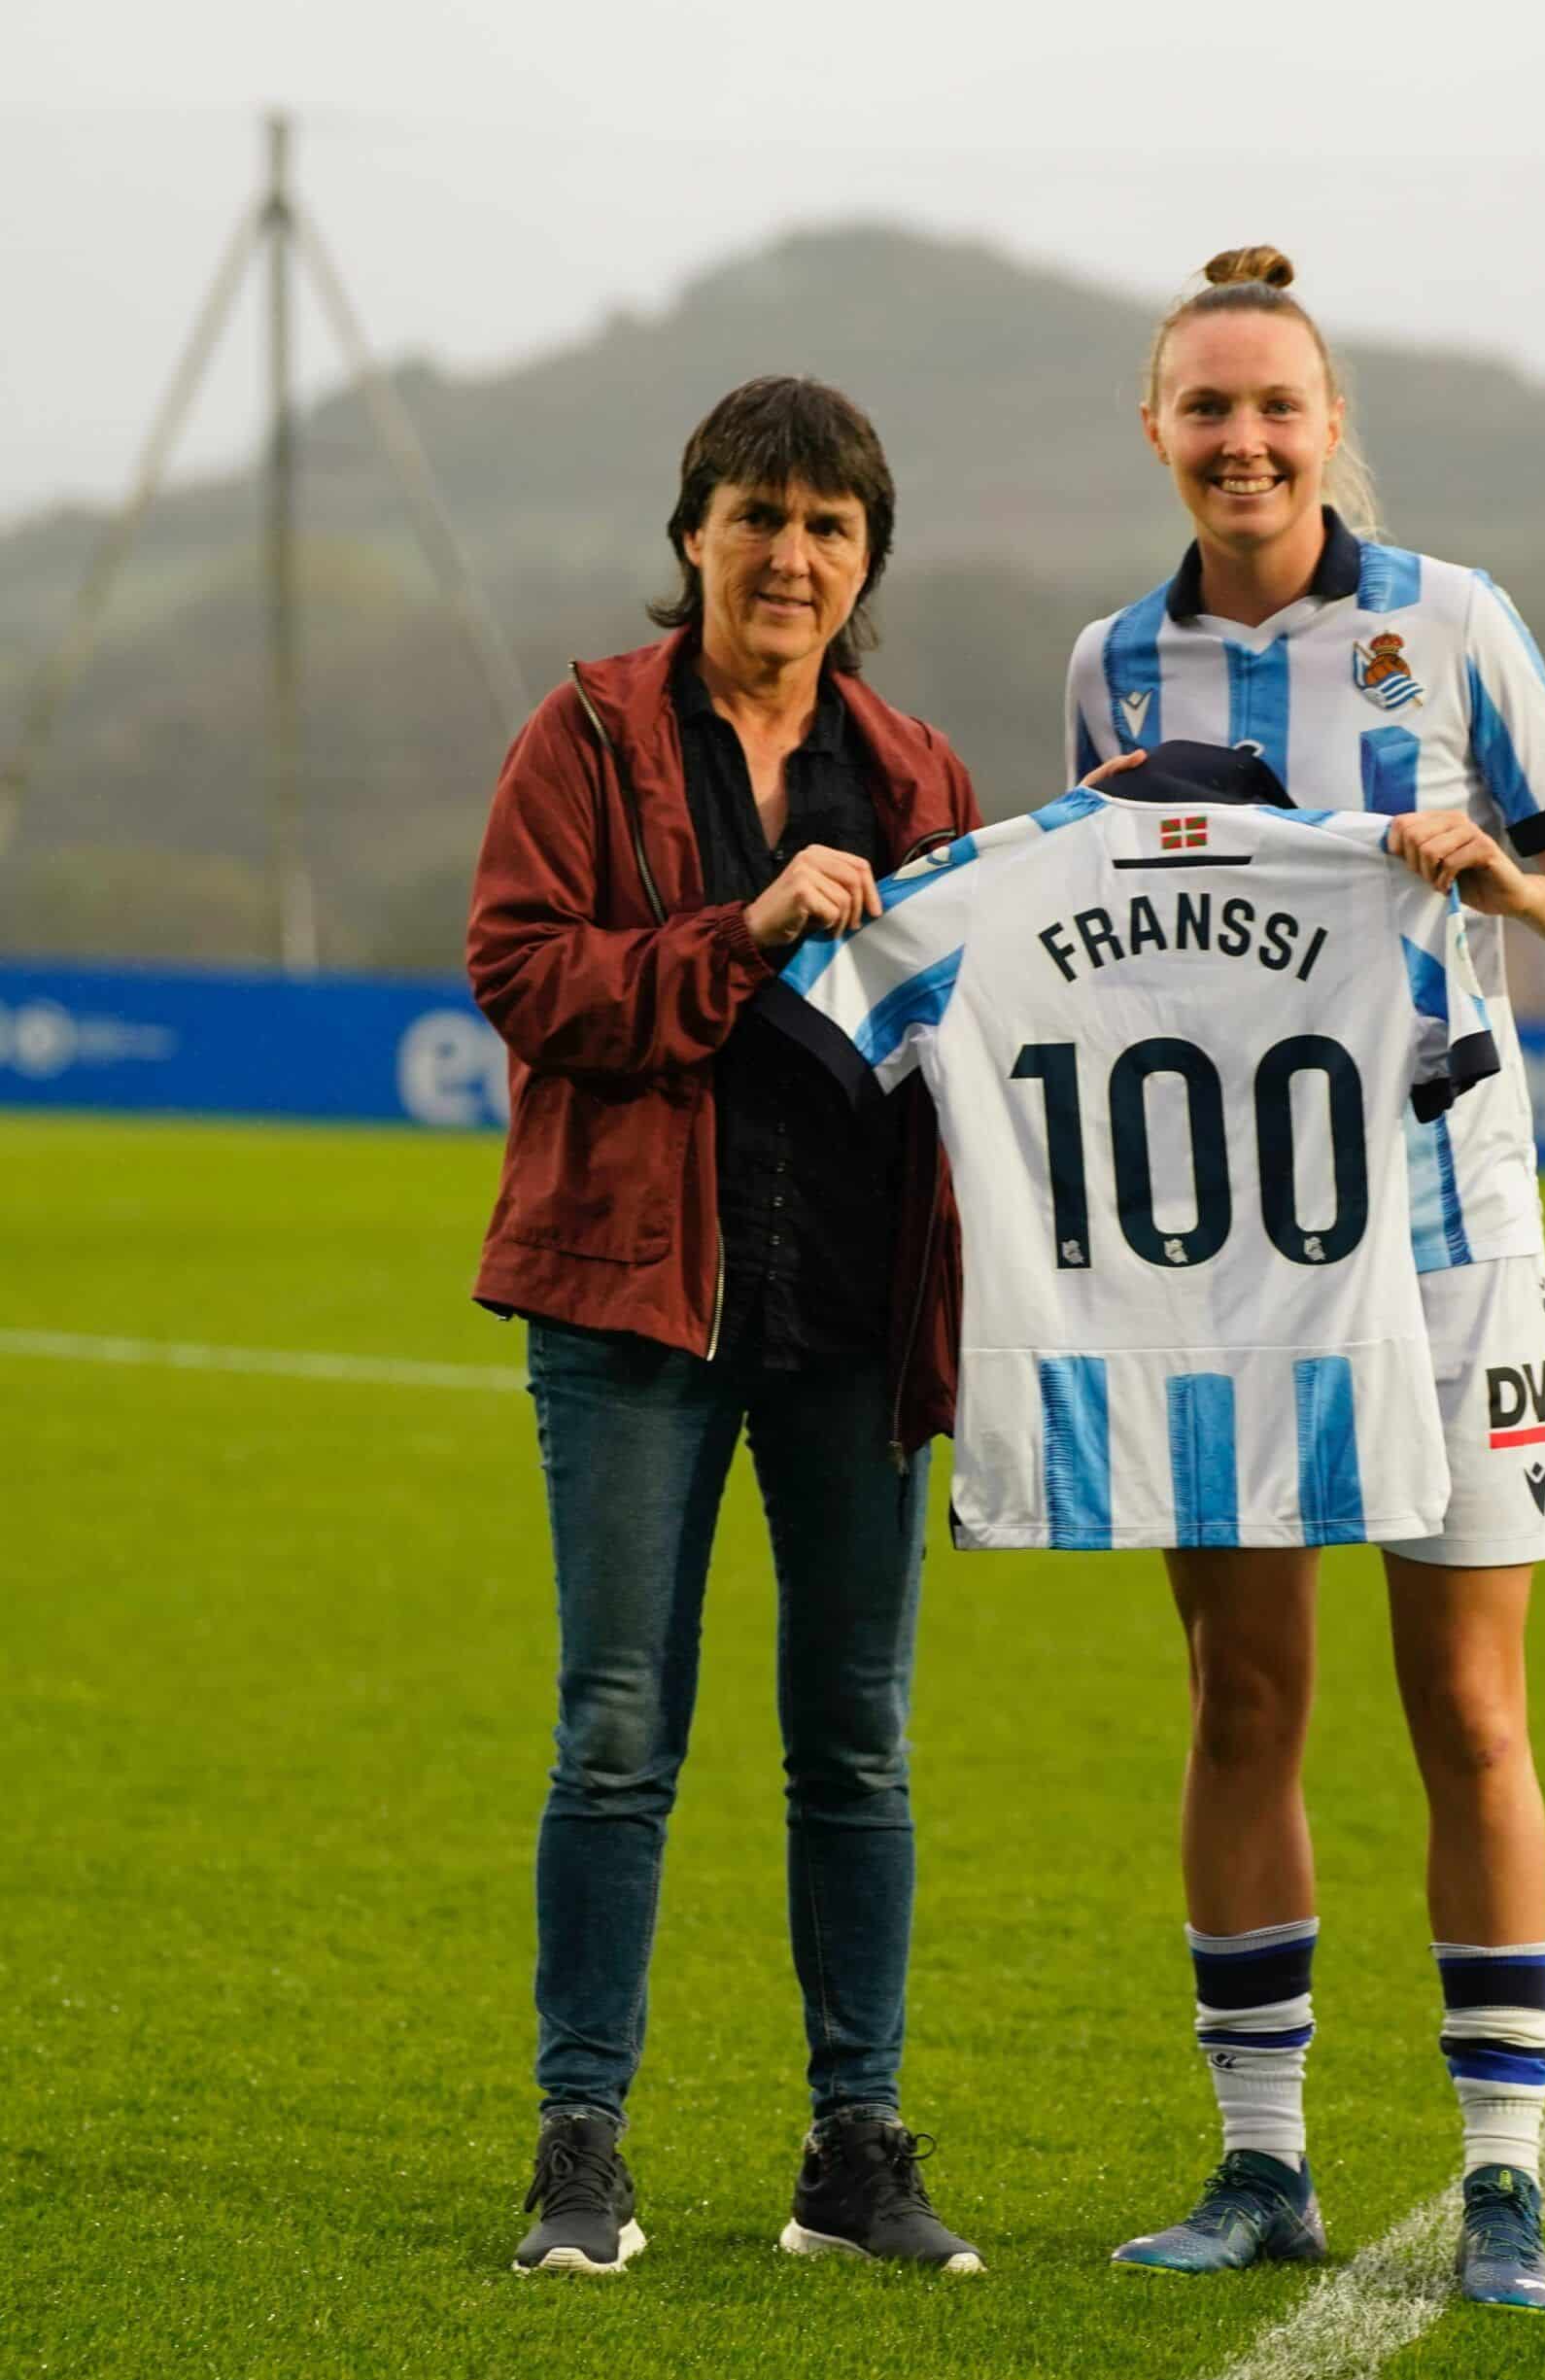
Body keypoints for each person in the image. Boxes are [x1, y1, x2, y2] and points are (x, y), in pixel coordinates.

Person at [1065, 249, 1545, 2306]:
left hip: (1451, 1241)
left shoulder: (1452, 621)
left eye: (1275, 409)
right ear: (1157, 431)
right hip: (1227, 1256)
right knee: (1240, 1694)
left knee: (1465, 1709)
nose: (1242, 441)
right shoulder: (1111, 669)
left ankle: (1502, 2177)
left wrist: (1490, 867)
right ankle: (1261, 2167)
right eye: (1204, 410)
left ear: (1327, 428)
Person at [467, 374, 983, 2278]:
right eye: (757, 514)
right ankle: (580, 2143)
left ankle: (855, 2149)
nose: (790, 554)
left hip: (852, 1312)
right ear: (691, 530)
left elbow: (972, 1034)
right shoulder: (588, 730)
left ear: (866, 562)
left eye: (829, 526)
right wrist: (744, 931)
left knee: (856, 1739)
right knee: (616, 1730)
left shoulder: (918, 767)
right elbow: (524, 974)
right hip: (630, 1299)